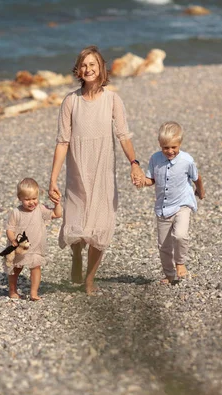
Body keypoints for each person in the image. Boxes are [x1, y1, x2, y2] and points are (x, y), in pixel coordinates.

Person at [48, 45, 145, 295]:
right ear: (78, 70)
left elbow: (123, 135)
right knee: (77, 222)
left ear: (101, 68)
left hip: (103, 170)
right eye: (84, 65)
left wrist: (134, 164)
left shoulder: (113, 99)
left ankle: (90, 279)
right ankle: (77, 255)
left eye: (93, 64)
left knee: (101, 225)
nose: (88, 68)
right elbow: (62, 141)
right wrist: (53, 180)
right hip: (77, 170)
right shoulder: (71, 100)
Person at [139, 121, 206, 284]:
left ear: (180, 144)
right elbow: (151, 179)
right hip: (163, 207)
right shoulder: (155, 159)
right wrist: (142, 181)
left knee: (180, 235)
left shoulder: (187, 160)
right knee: (164, 245)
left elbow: (196, 178)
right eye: (165, 147)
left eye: (173, 147)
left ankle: (181, 263)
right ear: (160, 145)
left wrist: (201, 192)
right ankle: (169, 274)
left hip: (182, 204)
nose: (170, 151)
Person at [4, 178, 62, 301]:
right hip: (20, 248)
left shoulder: (40, 209)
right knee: (16, 269)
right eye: (27, 199)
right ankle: (12, 290)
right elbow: (9, 228)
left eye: (34, 199)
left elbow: (57, 214)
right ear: (19, 198)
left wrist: (57, 204)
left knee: (36, 268)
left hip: (36, 247)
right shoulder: (16, 212)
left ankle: (33, 293)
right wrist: (12, 240)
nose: (32, 202)